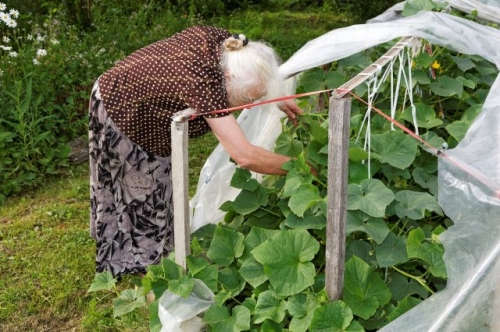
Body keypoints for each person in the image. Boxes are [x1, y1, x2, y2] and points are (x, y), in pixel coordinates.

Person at [88, 25, 303, 277]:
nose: (251, 105)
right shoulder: (204, 84)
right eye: (247, 100)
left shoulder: (228, 46)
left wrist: (272, 93)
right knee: (140, 193)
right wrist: (300, 167)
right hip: (121, 107)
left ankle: (155, 254)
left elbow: (256, 72)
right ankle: (147, 272)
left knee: (157, 187)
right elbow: (245, 155)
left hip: (139, 101)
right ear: (228, 80)